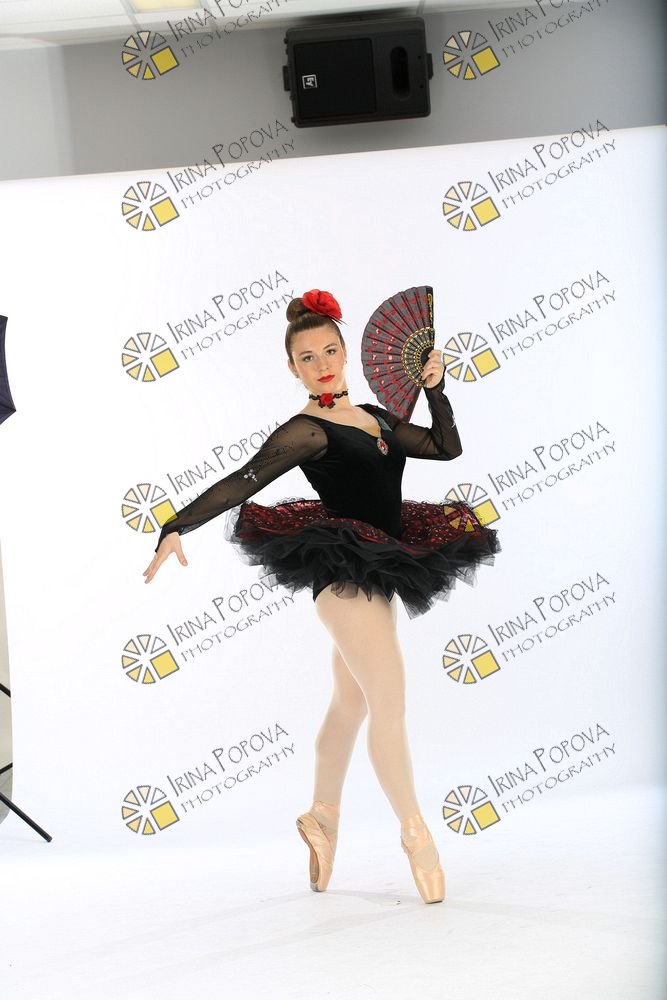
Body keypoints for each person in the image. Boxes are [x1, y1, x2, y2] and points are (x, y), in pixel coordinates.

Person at [144, 289, 499, 904]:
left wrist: (436, 387)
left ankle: (322, 818)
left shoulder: (377, 418)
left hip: (383, 568)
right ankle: (416, 834)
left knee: (350, 703)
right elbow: (245, 479)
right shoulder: (307, 431)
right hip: (341, 574)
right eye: (308, 358)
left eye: (330, 351)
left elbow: (446, 448)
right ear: (293, 368)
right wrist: (177, 524)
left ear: (345, 352)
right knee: (389, 702)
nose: (323, 364)